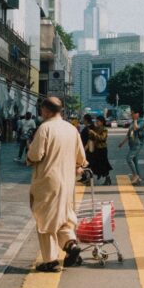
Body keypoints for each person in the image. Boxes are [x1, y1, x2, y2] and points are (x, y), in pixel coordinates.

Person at [26, 97, 87, 272]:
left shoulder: (44, 128)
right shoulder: (71, 129)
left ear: (46, 110)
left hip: (47, 180)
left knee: (44, 219)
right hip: (67, 182)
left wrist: (28, 157)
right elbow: (81, 158)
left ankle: (51, 260)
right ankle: (70, 245)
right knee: (64, 216)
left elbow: (35, 155)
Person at [118, 109, 143, 185]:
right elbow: (129, 134)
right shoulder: (132, 122)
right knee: (135, 161)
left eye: (132, 113)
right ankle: (138, 178)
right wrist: (122, 143)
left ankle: (135, 175)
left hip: (137, 144)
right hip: (131, 144)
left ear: (137, 114)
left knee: (129, 158)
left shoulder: (141, 121)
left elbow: (136, 128)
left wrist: (135, 119)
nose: (131, 115)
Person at [88, 116, 112, 185]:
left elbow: (102, 138)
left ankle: (107, 178)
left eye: (98, 121)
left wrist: (94, 133)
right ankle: (92, 178)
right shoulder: (96, 129)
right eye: (96, 121)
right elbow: (92, 138)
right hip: (96, 149)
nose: (96, 122)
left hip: (102, 149)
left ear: (101, 122)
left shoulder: (104, 129)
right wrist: (91, 133)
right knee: (94, 163)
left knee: (104, 164)